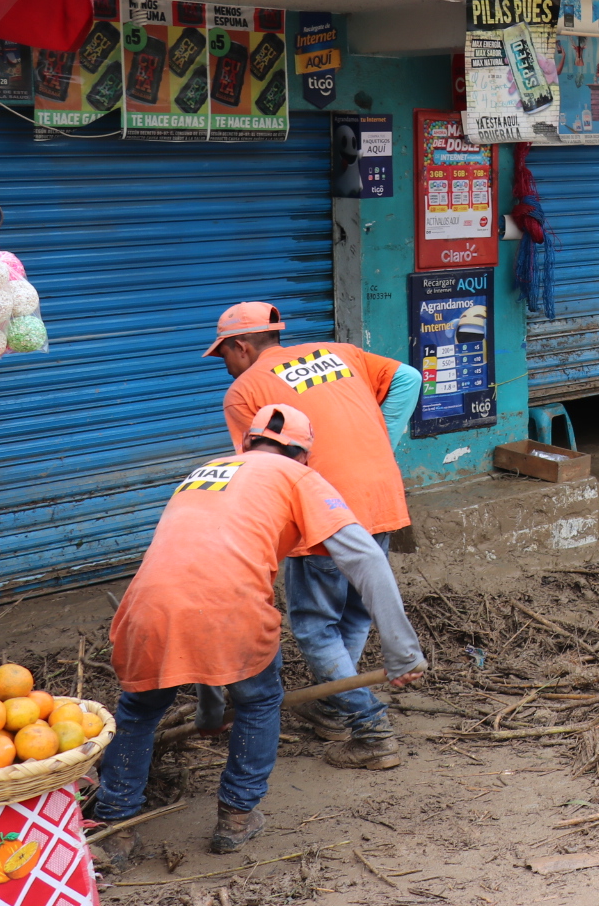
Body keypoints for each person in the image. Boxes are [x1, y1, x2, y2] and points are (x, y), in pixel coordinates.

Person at [93, 404, 426, 869]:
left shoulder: (205, 471)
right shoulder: (297, 476)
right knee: (258, 700)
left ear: (246, 443)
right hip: (230, 607)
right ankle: (235, 818)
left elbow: (196, 588)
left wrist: (211, 710)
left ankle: (113, 831)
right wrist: (403, 652)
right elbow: (365, 559)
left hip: (148, 604)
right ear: (303, 455)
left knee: (138, 712)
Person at [210, 302, 423, 769]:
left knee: (314, 624)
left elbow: (260, 467)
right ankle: (333, 705)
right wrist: (383, 440)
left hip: (321, 507)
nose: (224, 367)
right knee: (355, 610)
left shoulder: (245, 391)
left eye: (222, 355)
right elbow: (409, 377)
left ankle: (371, 729)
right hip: (379, 495)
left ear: (241, 346)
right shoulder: (341, 352)